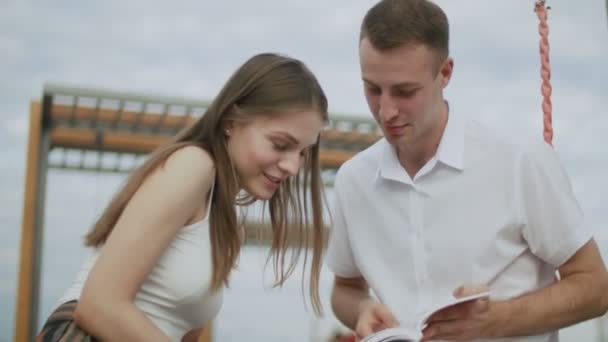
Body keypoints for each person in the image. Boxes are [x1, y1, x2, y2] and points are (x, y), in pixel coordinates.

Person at [325, 0, 608, 341]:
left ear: (445, 73)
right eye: (372, 88)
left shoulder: (521, 160)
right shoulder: (353, 180)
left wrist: (496, 321)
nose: (385, 111)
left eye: (405, 91)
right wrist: (360, 309)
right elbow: (345, 289)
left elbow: (596, 288)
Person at [36, 52, 329, 342]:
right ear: (231, 120)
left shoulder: (225, 221)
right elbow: (98, 306)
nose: (293, 166)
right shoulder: (193, 165)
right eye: (280, 144)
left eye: (303, 152)